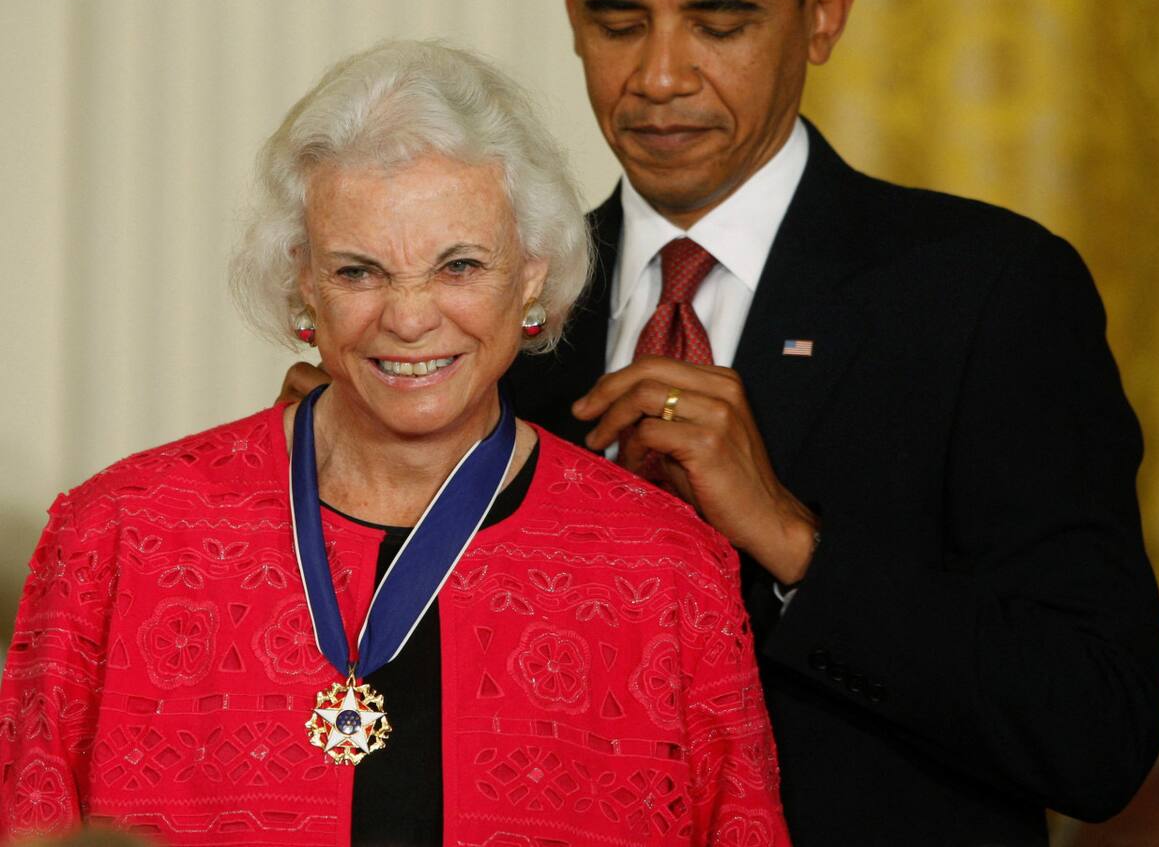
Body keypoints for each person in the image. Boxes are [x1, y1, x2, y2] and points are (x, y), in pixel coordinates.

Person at [282, 0, 1159, 846]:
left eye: (720, 22)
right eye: (619, 21)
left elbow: (1098, 734)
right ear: (567, 3)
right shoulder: (474, 313)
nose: (659, 77)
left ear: (824, 12)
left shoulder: (988, 292)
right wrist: (335, 518)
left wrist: (792, 541)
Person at [0, 41, 791, 846]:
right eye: (359, 272)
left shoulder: (667, 575)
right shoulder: (118, 535)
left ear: (531, 273)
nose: (409, 318)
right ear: (302, 279)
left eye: (459, 265)